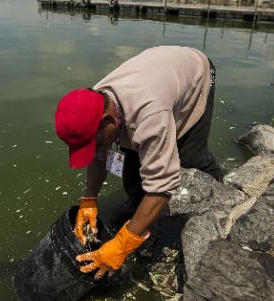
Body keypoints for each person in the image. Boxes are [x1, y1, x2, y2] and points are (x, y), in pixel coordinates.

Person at [54, 46, 222, 280]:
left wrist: (124, 243)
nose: (97, 149)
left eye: (97, 142)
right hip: (156, 80)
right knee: (133, 167)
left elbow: (163, 184)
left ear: (108, 120)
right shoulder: (96, 101)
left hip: (195, 72)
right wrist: (89, 199)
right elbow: (99, 155)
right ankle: (139, 209)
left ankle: (221, 190)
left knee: (190, 157)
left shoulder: (150, 114)